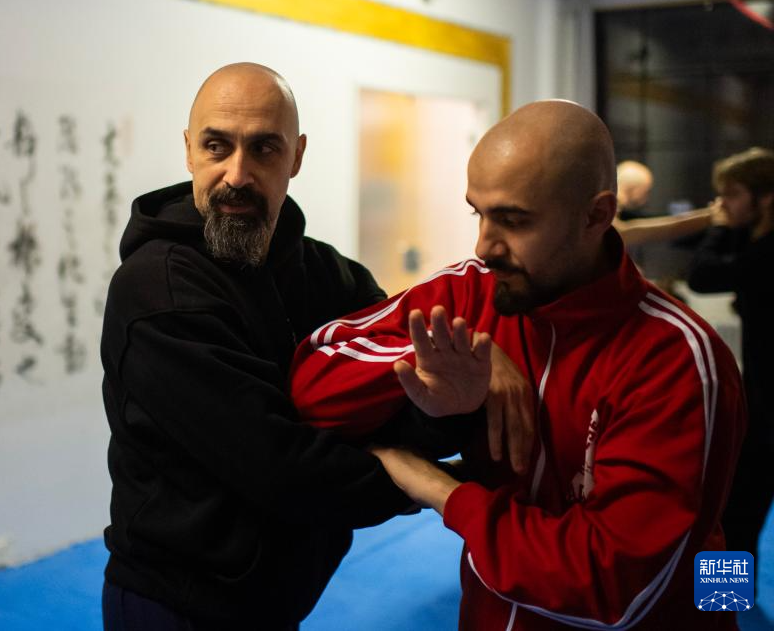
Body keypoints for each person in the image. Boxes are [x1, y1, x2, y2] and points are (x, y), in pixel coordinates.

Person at [99, 63, 526, 630]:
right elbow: (277, 467)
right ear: (188, 151)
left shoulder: (330, 276)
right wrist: (421, 483)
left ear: (296, 156)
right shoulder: (160, 293)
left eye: (264, 149)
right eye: (217, 146)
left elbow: (398, 406)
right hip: (175, 604)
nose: (237, 174)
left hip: (278, 600)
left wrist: (451, 400)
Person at [291, 100, 746, 630]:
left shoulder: (678, 359)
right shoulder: (473, 293)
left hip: (658, 607)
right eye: (478, 213)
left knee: (735, 526)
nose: (484, 245)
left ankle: (736, 601)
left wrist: (440, 490)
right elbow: (313, 379)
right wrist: (451, 355)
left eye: (513, 220)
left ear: (596, 216)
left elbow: (608, 586)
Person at [689, 147, 774, 578]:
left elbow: (703, 275)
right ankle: (721, 603)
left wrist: (719, 228)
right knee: (734, 515)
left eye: (733, 194)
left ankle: (719, 603)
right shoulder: (754, 240)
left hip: (767, 408)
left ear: (765, 198)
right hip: (761, 400)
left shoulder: (767, 251)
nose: (723, 204)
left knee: (733, 514)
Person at [612, 159, 713, 247]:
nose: (646, 198)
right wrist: (707, 216)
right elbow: (624, 233)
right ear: (634, 189)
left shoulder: (616, 207)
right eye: (646, 191)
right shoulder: (611, 204)